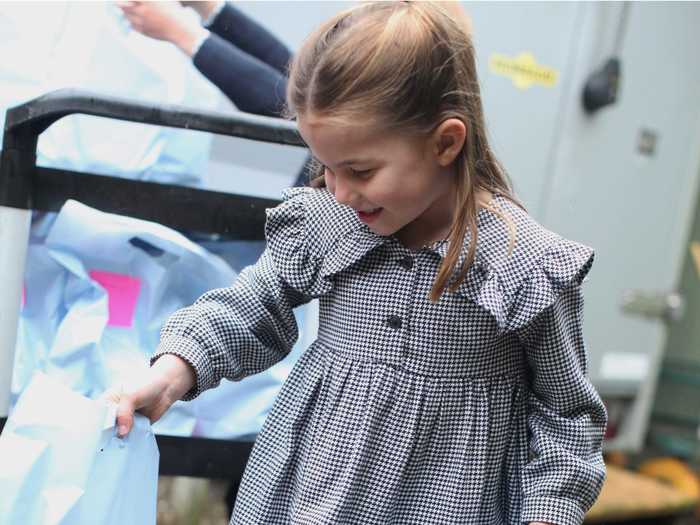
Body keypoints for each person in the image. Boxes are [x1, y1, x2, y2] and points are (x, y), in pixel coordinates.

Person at [111, 3, 606, 524]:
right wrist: (173, 370)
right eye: (325, 167)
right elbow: (249, 307)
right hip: (306, 497)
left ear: (445, 142)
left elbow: (567, 415)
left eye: (360, 170)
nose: (340, 191)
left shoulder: (521, 265)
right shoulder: (329, 222)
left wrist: (548, 511)